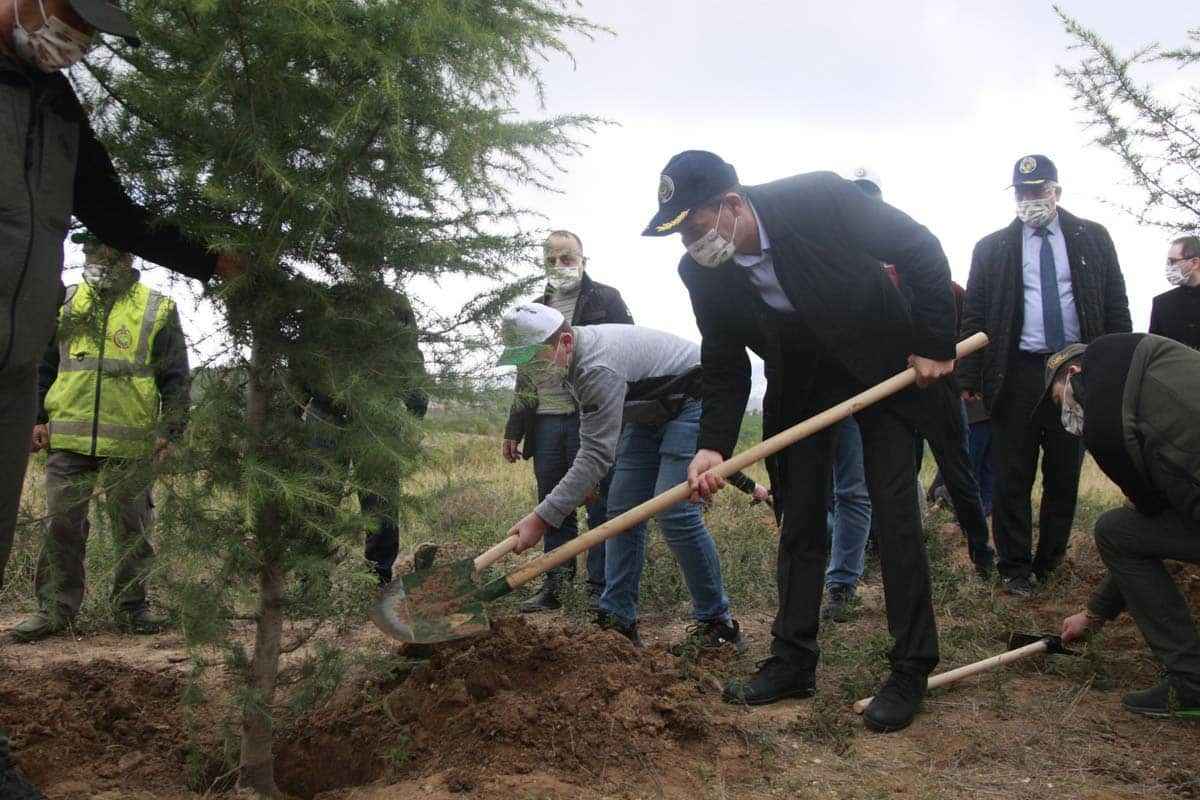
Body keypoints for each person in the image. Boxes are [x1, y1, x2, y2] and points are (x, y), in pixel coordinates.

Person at [645, 150, 958, 733]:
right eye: (681, 236)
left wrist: (935, 340)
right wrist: (713, 444)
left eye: (695, 228)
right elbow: (723, 360)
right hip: (798, 377)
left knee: (893, 512)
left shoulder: (820, 198)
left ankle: (911, 666)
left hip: (881, 362)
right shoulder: (700, 272)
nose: (692, 245)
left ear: (733, 205)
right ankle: (792, 660)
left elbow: (919, 247)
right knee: (800, 515)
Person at [0, 0, 243, 596]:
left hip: (14, 363)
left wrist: (212, 260)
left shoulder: (55, 103)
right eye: (71, 18)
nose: (77, 39)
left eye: (89, 32)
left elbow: (114, 214)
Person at [502, 304, 745, 652]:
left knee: (675, 511)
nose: (532, 372)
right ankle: (618, 620)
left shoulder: (595, 366)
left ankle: (717, 624)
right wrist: (583, 485)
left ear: (565, 342)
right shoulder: (569, 364)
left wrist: (541, 518)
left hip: (693, 398)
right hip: (648, 411)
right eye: (524, 363)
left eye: (536, 360)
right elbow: (596, 437)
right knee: (621, 513)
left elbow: (596, 454)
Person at [960, 155, 1131, 597]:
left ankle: (1049, 560)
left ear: (1056, 190)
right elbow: (974, 315)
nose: (1030, 199)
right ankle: (1014, 566)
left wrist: (1112, 369)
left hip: (1076, 370)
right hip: (1017, 372)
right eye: (1022, 192)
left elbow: (1114, 305)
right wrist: (969, 378)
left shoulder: (1092, 237)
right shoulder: (991, 248)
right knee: (1011, 474)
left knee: (1063, 472)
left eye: (1038, 190)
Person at [13, 239, 187, 641]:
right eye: (95, 251)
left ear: (130, 256)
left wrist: (171, 431)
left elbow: (175, 376)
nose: (103, 259)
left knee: (133, 528)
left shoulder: (157, 306)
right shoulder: (66, 301)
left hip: (132, 442)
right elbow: (43, 365)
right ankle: (55, 609)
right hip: (68, 438)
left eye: (113, 252)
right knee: (61, 525)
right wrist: (35, 418)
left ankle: (131, 608)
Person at [1048, 335, 1200, 719]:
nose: (1067, 416)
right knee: (1123, 531)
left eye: (1059, 400)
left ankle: (1191, 684)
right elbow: (1152, 528)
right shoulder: (1159, 366)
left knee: (1115, 531)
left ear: (1077, 373)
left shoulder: (1110, 428)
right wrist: (1096, 613)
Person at [502, 231, 633, 612]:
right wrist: (514, 427)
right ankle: (555, 588)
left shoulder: (606, 299)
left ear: (583, 259)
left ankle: (598, 588)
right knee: (552, 503)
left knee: (597, 501)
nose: (560, 265)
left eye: (567, 257)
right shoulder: (532, 309)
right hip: (545, 421)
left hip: (587, 416)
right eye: (552, 259)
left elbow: (623, 351)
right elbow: (522, 373)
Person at [297, 285, 429, 587]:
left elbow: (408, 355)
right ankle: (313, 581)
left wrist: (414, 412)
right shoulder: (321, 297)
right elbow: (303, 357)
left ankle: (378, 577)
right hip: (325, 411)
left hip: (378, 413)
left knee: (380, 498)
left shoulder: (394, 302)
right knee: (319, 494)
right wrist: (293, 408)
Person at [1149, 235, 1200, 349]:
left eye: (1173, 261)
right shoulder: (1162, 303)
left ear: (1195, 262)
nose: (1169, 267)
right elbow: (1154, 352)